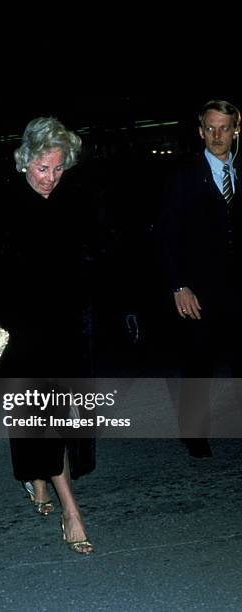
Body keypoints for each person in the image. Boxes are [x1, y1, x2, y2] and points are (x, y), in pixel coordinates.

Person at [0, 117, 94, 554]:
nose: (49, 179)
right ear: (25, 160)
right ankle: (73, 511)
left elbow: (86, 260)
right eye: (42, 168)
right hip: (19, 330)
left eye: (58, 169)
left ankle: (38, 480)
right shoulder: (1, 202)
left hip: (63, 326)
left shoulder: (72, 201)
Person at [158, 100, 242, 458]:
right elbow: (166, 235)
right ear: (200, 132)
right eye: (210, 128)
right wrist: (179, 285)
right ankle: (195, 435)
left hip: (239, 288)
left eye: (224, 128)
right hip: (198, 290)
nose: (217, 135)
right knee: (198, 362)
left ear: (237, 130)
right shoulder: (183, 176)